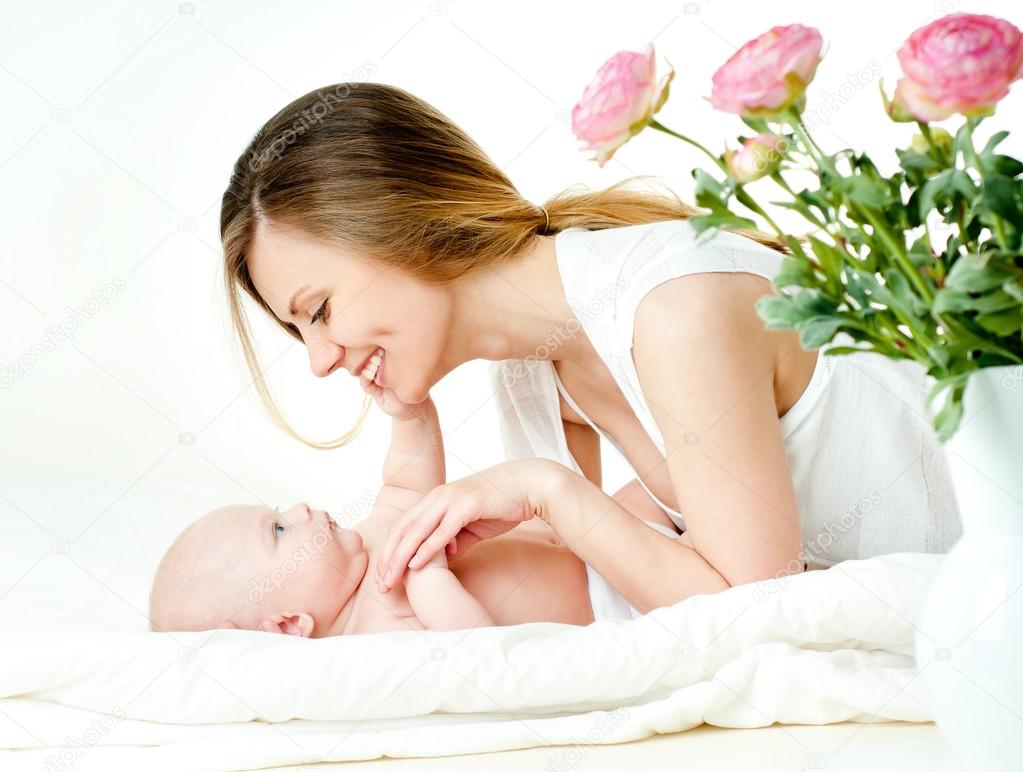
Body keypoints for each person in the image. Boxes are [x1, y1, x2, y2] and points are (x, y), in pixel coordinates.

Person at [218, 82, 962, 617]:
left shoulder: (673, 309)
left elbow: (751, 615)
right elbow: (584, 572)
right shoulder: (532, 369)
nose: (319, 360)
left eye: (318, 312)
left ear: (403, 225)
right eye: (300, 332)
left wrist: (548, 488)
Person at [148, 369, 687, 635]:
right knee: (694, 500)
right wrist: (430, 578)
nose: (300, 510)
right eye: (279, 531)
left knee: (684, 469)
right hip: (621, 593)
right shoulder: (374, 632)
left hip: (591, 530)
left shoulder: (368, 546)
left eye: (279, 511)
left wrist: (410, 415)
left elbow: (408, 487)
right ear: (289, 623)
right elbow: (479, 653)